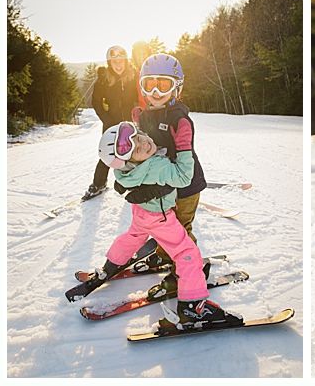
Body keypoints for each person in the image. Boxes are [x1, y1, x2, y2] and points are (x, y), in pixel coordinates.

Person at [82, 121, 240, 329]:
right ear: (128, 161)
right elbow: (184, 178)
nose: (144, 143)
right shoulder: (157, 166)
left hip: (141, 212)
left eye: (139, 137)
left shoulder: (126, 172)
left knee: (133, 237)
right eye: (137, 149)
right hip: (160, 217)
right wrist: (184, 147)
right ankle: (194, 306)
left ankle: (109, 266)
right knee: (187, 253)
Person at [114, 54, 208, 298]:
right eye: (149, 84)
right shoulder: (146, 114)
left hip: (186, 187)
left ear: (177, 87)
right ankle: (165, 254)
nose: (155, 91)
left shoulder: (179, 119)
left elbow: (183, 167)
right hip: (164, 187)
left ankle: (187, 270)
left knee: (181, 229)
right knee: (164, 226)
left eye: (163, 84)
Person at [83, 45, 139, 200]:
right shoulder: (104, 79)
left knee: (134, 151)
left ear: (126, 61)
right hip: (111, 122)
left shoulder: (133, 76)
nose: (119, 65)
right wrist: (106, 119)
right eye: (115, 62)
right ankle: (99, 183)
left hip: (131, 122)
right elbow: (96, 101)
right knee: (108, 153)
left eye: (121, 61)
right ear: (109, 63)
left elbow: (139, 97)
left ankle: (136, 183)